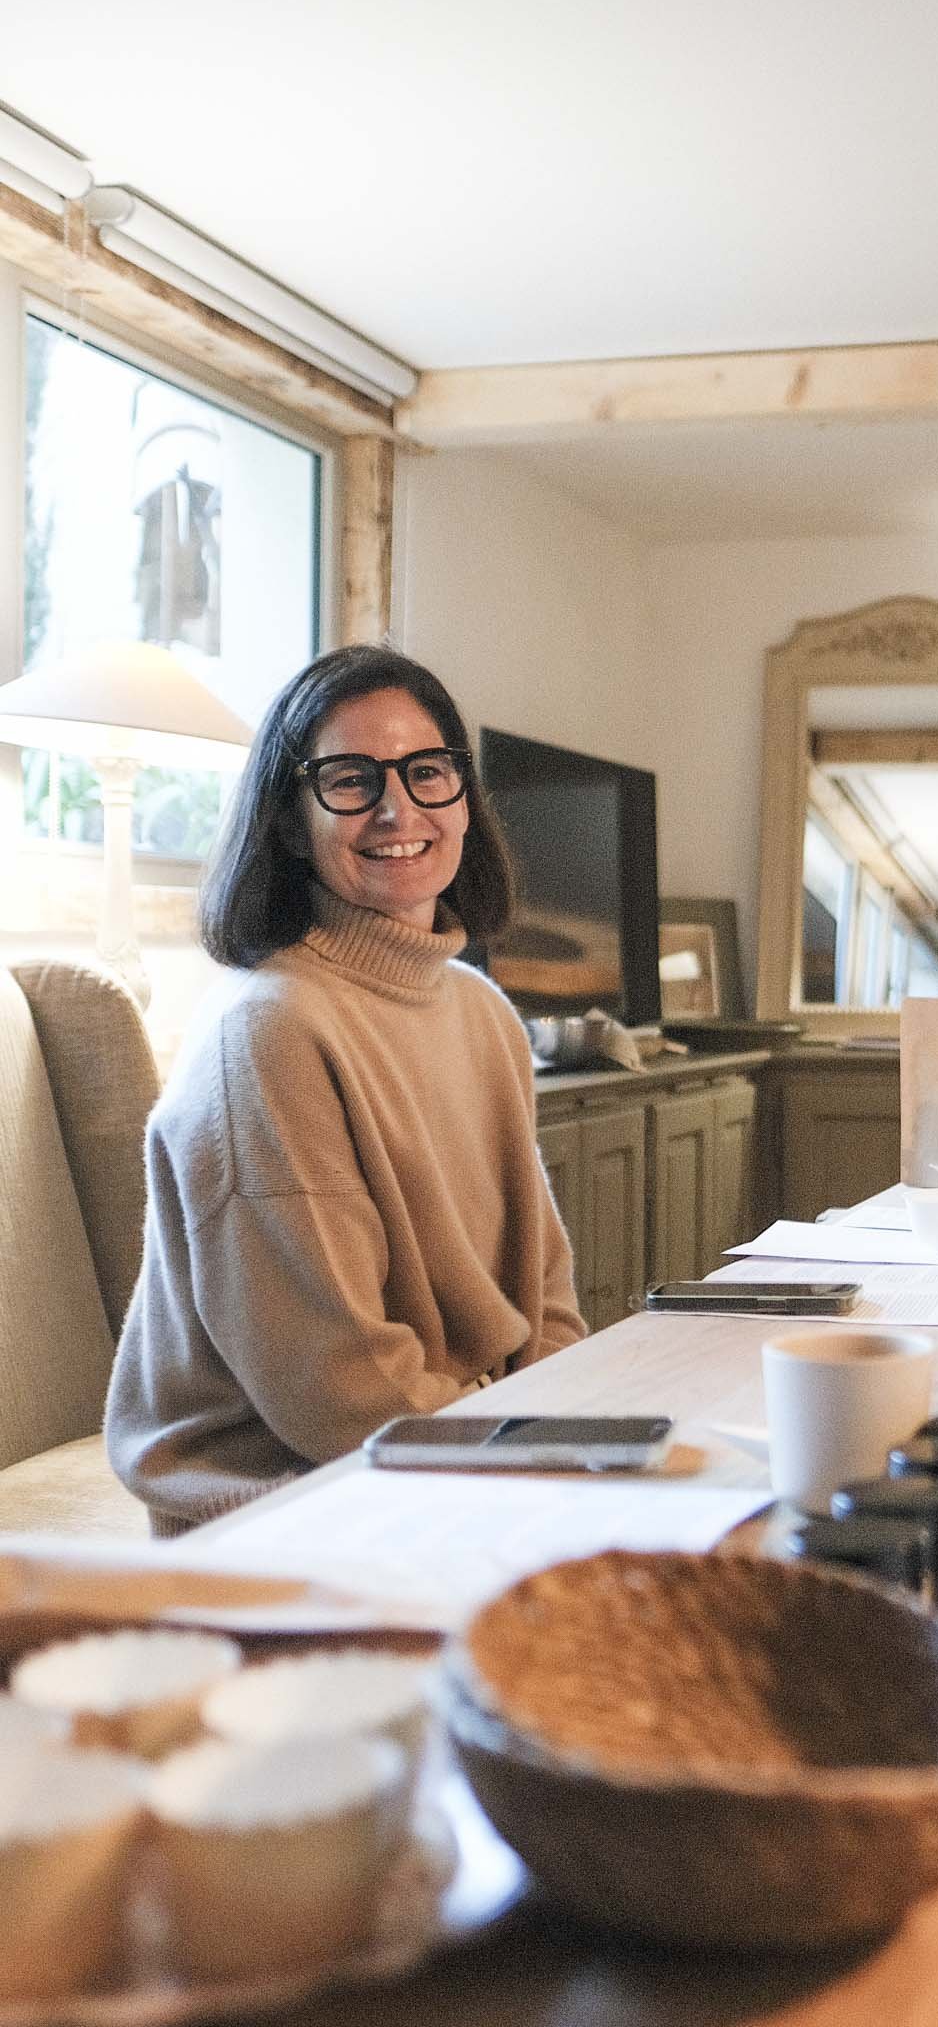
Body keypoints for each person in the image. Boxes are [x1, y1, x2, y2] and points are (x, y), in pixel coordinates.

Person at [109, 645, 585, 1533]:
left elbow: (545, 1295)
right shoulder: (269, 1032)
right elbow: (335, 1390)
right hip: (295, 1504)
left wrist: (562, 1431)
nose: (397, 808)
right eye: (351, 779)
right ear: (292, 820)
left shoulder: (482, 1014)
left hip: (450, 1461)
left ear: (464, 799)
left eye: (426, 771)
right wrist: (529, 1467)